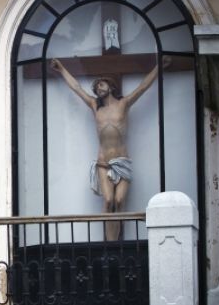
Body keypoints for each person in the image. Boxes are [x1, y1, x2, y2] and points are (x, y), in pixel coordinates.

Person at [50, 56, 169, 241]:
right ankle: (110, 244)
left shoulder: (123, 104)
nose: (98, 87)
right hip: (103, 162)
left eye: (102, 84)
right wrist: (62, 69)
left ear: (111, 87)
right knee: (108, 201)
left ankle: (116, 242)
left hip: (122, 162)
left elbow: (143, 87)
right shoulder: (95, 106)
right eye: (97, 86)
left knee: (119, 201)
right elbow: (76, 88)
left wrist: (159, 67)